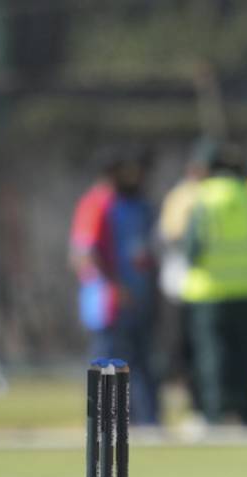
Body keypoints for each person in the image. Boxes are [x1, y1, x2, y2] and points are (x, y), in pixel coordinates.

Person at [69, 148, 160, 425]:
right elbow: (85, 253)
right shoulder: (97, 203)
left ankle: (144, 421)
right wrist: (114, 287)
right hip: (108, 302)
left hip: (133, 299)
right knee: (109, 362)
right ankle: (108, 423)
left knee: (138, 363)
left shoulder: (130, 204)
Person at [179, 143, 247, 426]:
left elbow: (192, 248)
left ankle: (215, 416)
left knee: (212, 359)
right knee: (245, 359)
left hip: (209, 291)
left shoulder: (204, 197)